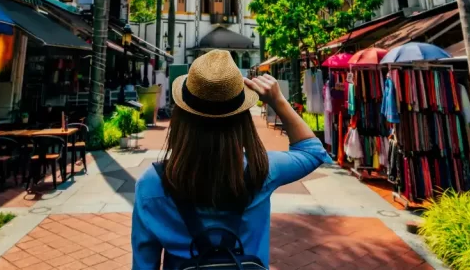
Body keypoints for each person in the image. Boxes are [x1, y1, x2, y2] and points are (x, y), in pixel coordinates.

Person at [132, 50, 330, 268]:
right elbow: (312, 151)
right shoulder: (262, 171)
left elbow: (144, 264)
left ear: (181, 118)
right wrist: (278, 100)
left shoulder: (153, 184)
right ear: (242, 119)